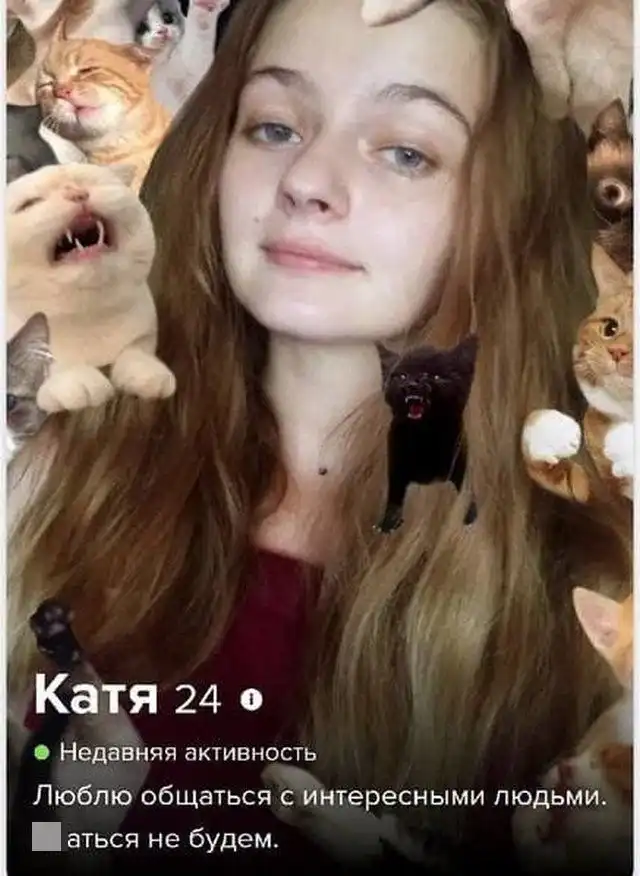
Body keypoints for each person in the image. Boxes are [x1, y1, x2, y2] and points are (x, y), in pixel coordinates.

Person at [8, 0, 632, 872]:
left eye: (406, 151)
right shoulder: (43, 486)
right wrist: (53, 836)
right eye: (273, 127)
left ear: (513, 215)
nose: (307, 179)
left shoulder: (600, 597)